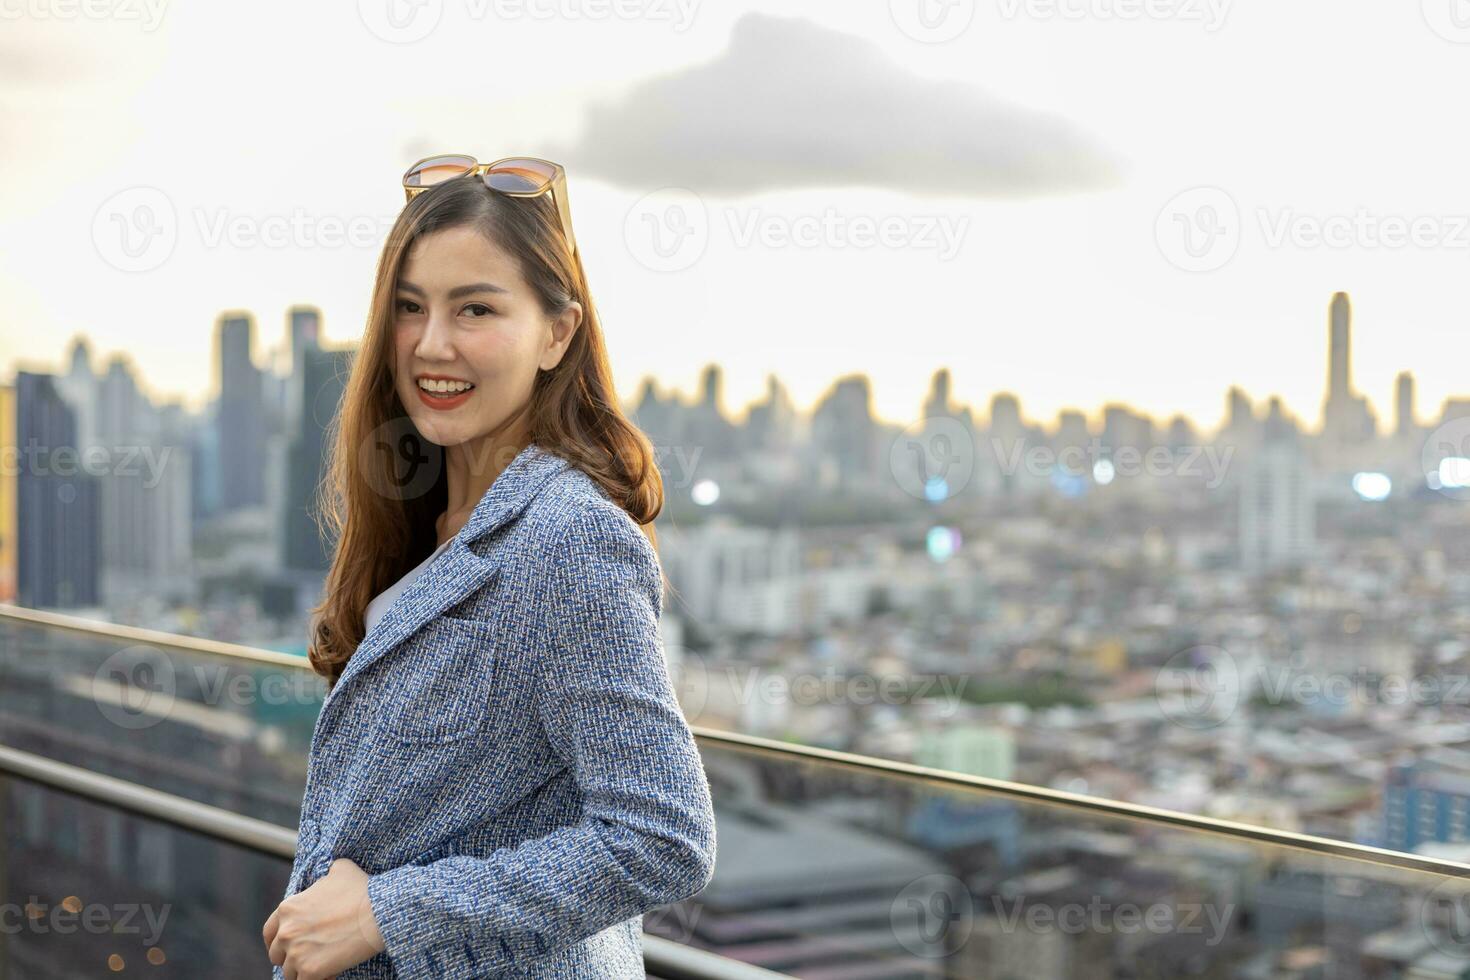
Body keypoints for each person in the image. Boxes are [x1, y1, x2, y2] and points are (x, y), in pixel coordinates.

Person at [262, 156, 715, 979]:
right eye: (409, 308)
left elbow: (663, 837)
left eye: (474, 308)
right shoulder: (429, 522)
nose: (431, 345)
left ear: (557, 333)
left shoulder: (568, 538)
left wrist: (387, 915)